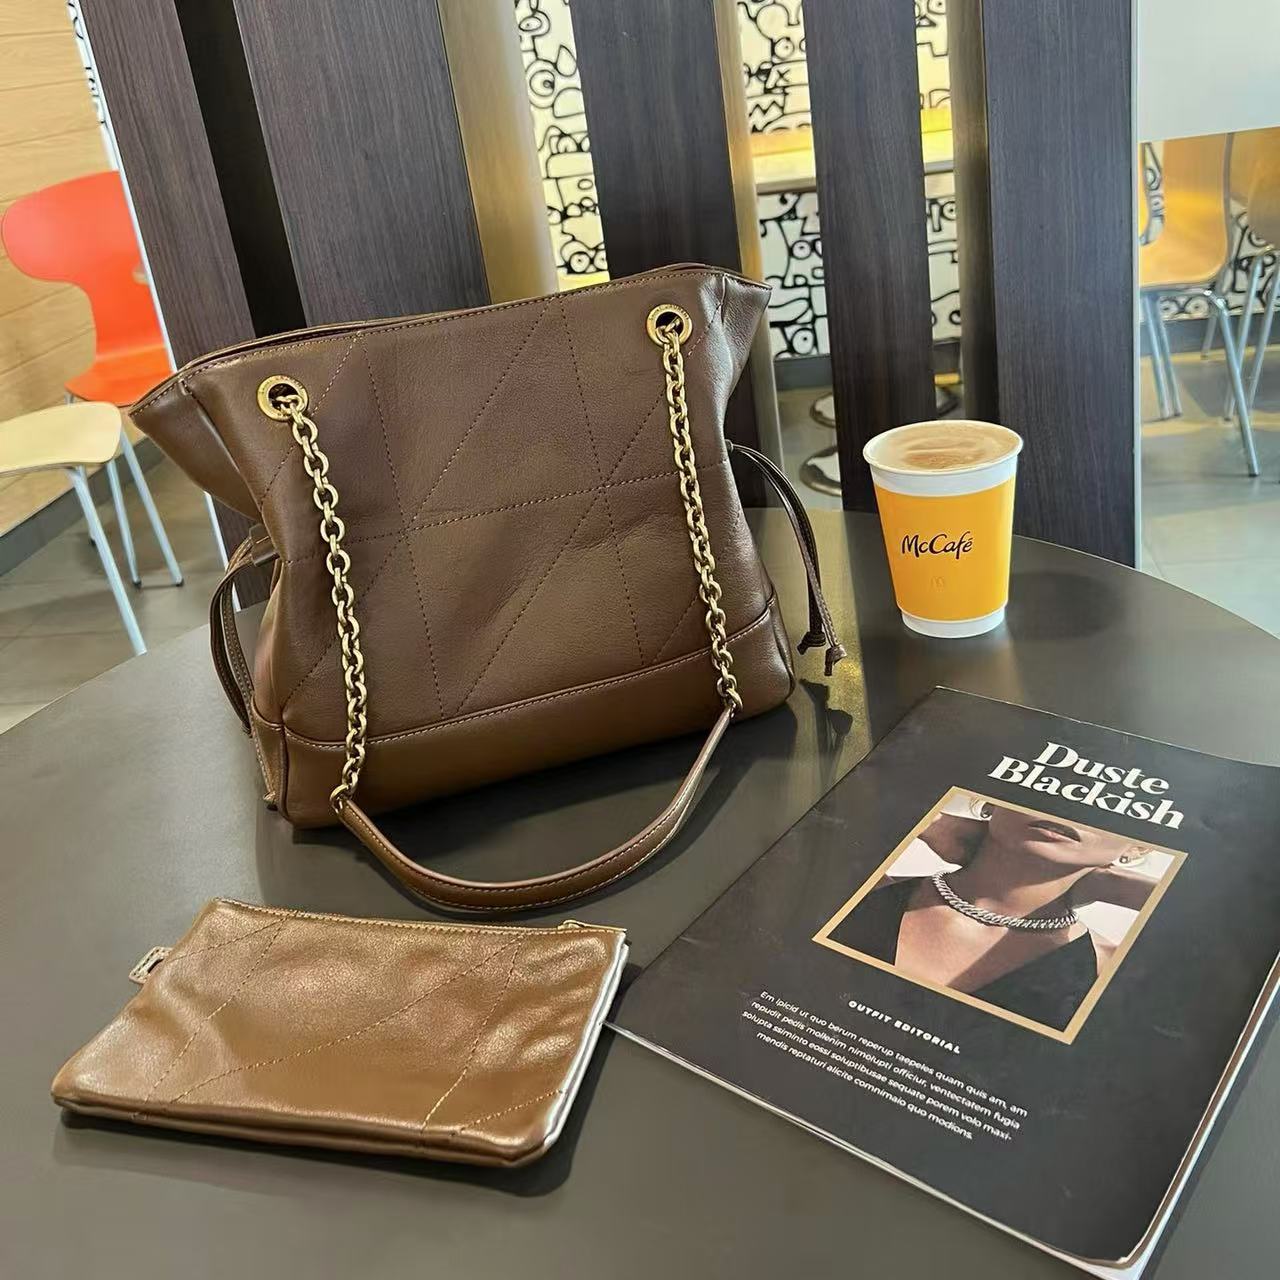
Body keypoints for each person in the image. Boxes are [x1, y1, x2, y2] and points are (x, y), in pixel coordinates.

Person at [827, 798, 1156, 1031]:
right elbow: (828, 809)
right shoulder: (867, 888)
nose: (1069, 810)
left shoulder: (1107, 969)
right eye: (1049, 789)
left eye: (1110, 805)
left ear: (1135, 847)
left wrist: (1127, 890)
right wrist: (932, 823)